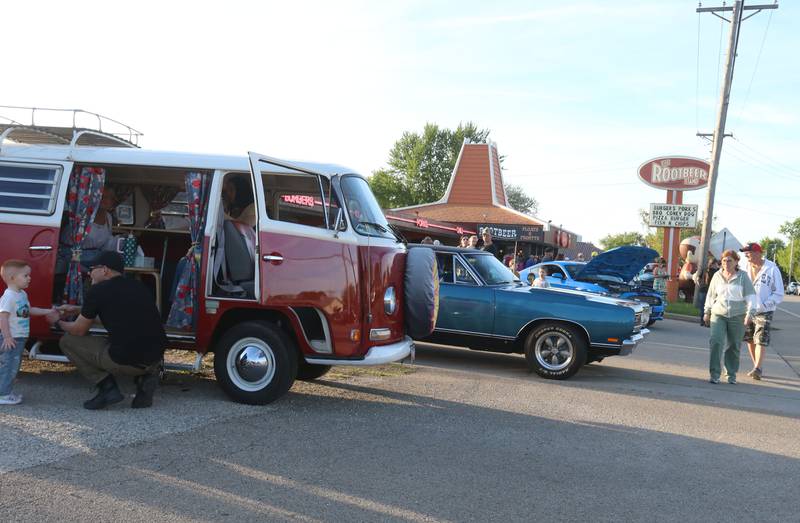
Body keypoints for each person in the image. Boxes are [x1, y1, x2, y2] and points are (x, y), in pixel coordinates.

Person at [50, 252, 168, 409]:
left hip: (126, 360)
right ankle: (146, 378)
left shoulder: (98, 291)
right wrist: (79, 310)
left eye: (91, 269)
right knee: (133, 343)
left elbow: (78, 331)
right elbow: (117, 315)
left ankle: (107, 388)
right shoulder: (138, 286)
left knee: (67, 341)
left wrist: (57, 323)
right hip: (155, 358)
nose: (88, 273)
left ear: (104, 270)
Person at [0, 260, 57, 405]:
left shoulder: (21, 294)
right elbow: (3, 317)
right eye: (25, 275)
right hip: (11, 338)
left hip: (19, 337)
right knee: (9, 366)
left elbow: (29, 311)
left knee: (13, 365)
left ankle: (5, 390)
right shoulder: (9, 297)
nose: (29, 278)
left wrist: (47, 311)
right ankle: (3, 395)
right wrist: (7, 336)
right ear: (12, 278)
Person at [703, 249, 756, 385]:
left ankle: (731, 374)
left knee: (734, 345)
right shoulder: (717, 276)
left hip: (738, 315)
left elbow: (751, 297)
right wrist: (707, 311)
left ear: (736, 262)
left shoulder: (743, 277)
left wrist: (750, 313)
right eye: (724, 260)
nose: (726, 263)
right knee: (716, 342)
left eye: (729, 260)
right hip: (718, 314)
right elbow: (710, 295)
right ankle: (714, 374)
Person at [739, 242, 784, 380]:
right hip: (747, 309)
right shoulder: (743, 267)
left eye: (749, 252)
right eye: (745, 252)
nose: (746, 255)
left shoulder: (771, 268)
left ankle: (758, 367)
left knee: (761, 339)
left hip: (764, 310)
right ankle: (756, 366)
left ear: (758, 253)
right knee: (750, 339)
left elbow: (779, 292)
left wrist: (765, 305)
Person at [56, 186, 119, 274]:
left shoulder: (108, 217)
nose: (103, 200)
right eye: (100, 196)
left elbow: (106, 244)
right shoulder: (82, 214)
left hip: (95, 258)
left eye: (108, 198)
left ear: (112, 203)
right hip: (72, 255)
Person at [696, 257, 720, 326]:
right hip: (711, 291)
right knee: (711, 307)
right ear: (714, 264)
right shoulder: (716, 272)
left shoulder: (705, 270)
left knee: (702, 307)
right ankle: (708, 322)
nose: (716, 265)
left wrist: (700, 284)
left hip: (702, 289)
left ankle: (702, 321)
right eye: (716, 264)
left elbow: (698, 278)